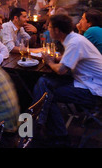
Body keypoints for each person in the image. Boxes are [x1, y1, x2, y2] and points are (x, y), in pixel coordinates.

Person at [32, 14, 102, 146]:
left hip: (94, 90)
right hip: (86, 81)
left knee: (47, 94)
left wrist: (49, 62)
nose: (47, 28)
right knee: (44, 81)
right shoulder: (74, 39)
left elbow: (61, 70)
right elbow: (69, 59)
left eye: (50, 27)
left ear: (57, 30)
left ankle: (57, 135)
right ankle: (41, 122)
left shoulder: (75, 42)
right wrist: (55, 60)